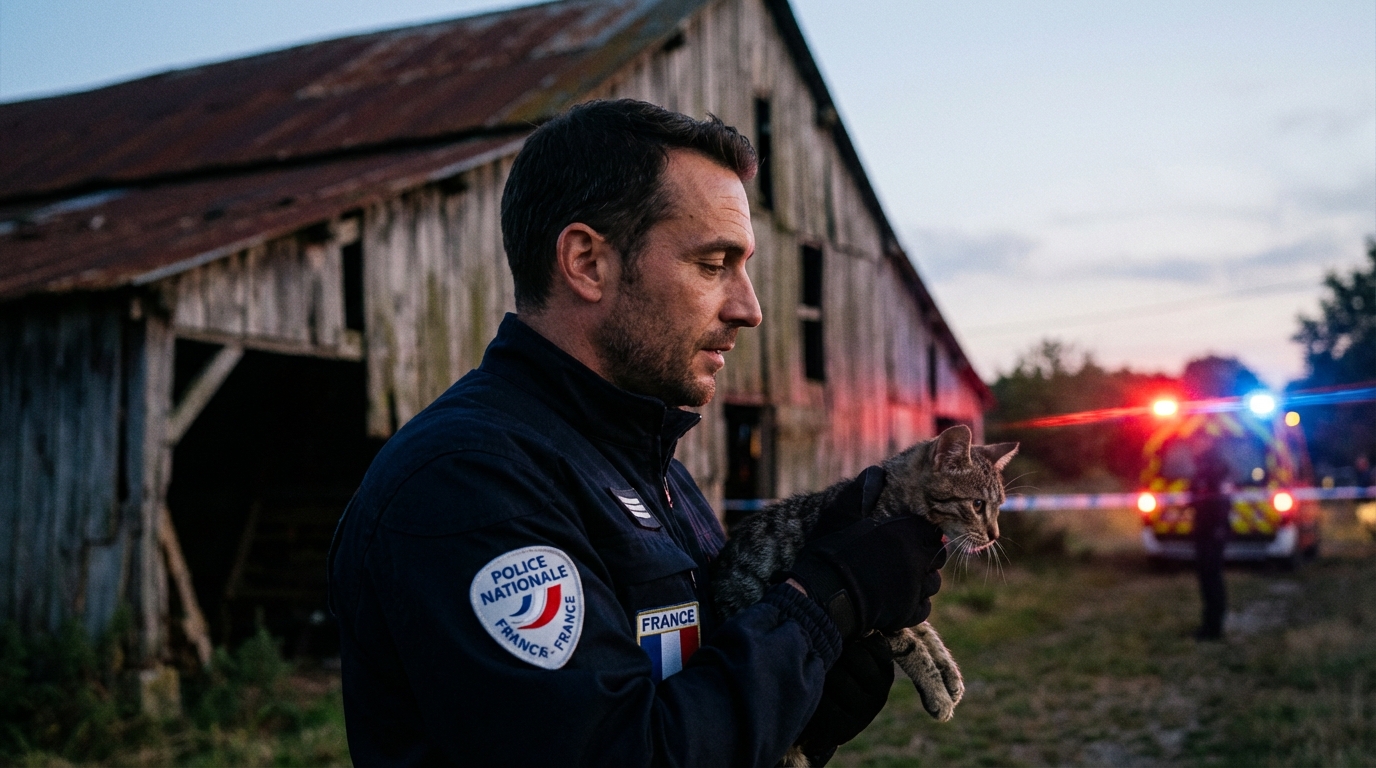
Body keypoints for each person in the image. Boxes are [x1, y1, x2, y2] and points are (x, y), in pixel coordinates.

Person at [327, 99, 948, 766]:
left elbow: (688, 698)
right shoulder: (468, 480)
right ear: (588, 263)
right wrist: (819, 605)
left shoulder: (646, 465)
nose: (750, 308)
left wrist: (807, 697)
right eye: (714, 264)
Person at [1191, 447, 1231, 641]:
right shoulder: (1203, 475)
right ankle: (1210, 623)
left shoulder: (1218, 475)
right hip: (1203, 533)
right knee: (1207, 580)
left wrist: (1219, 529)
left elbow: (1222, 504)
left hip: (1213, 535)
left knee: (1212, 580)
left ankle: (1214, 626)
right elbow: (1192, 498)